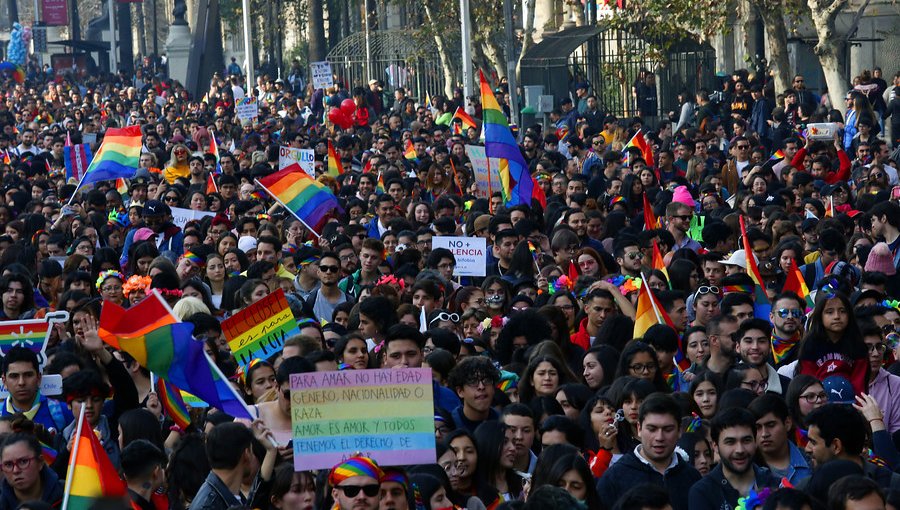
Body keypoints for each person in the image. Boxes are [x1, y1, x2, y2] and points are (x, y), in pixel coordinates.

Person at [596, 393, 701, 510]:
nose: (659, 437)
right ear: (639, 428)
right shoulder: (614, 478)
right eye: (652, 429)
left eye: (668, 429)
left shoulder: (692, 477)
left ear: (679, 430)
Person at [688, 408, 780, 509]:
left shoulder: (775, 485)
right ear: (715, 446)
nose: (740, 450)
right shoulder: (703, 492)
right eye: (730, 442)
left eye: (746, 440)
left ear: (755, 442)